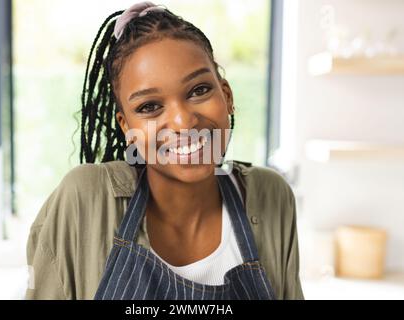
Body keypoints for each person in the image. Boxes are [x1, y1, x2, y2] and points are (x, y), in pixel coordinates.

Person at [25, 1, 304, 300]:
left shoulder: (271, 196)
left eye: (199, 90)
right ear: (126, 128)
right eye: (149, 107)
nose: (183, 122)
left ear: (227, 96)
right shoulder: (85, 198)